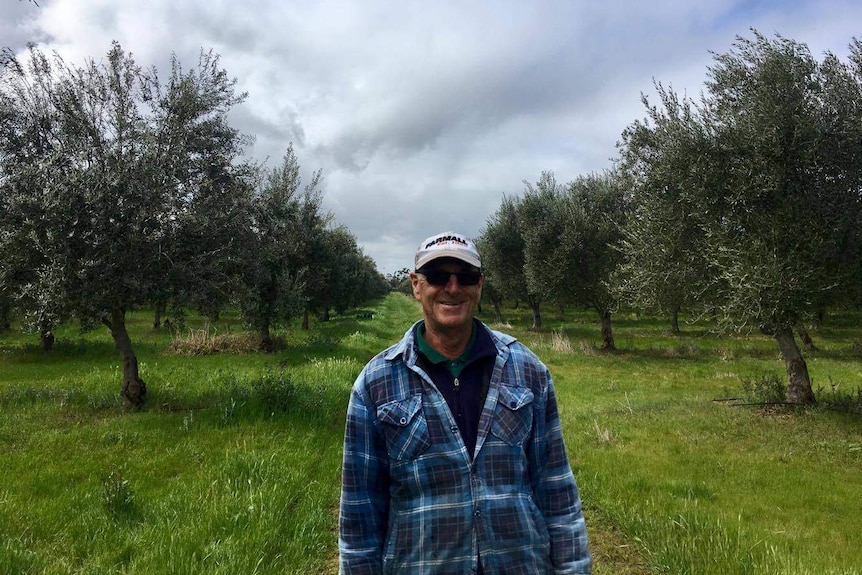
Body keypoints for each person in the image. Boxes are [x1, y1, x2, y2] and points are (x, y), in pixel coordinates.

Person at [339, 231, 592, 574]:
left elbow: (556, 491)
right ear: (416, 285)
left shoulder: (528, 371)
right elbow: (359, 516)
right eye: (439, 276)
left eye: (466, 277)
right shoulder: (376, 384)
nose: (453, 288)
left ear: (480, 285)